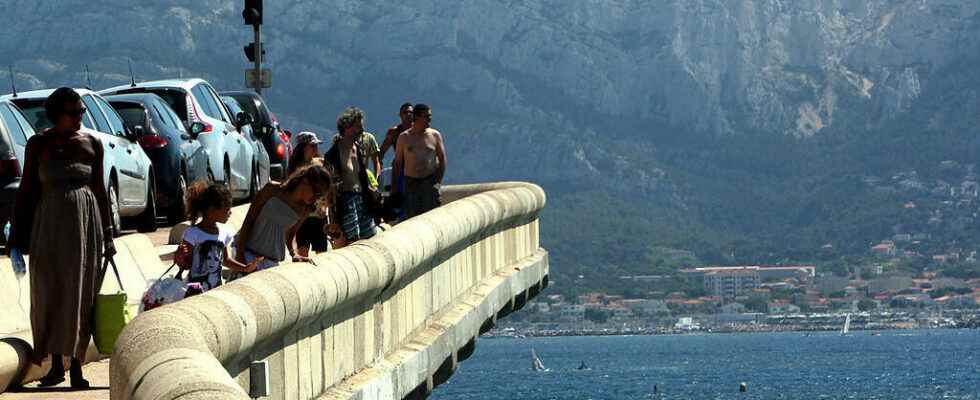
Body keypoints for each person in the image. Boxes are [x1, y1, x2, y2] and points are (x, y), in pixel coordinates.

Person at [7, 87, 116, 388]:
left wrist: (108, 236)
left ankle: (77, 366)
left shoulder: (92, 143)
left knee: (81, 294)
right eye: (74, 112)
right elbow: (26, 191)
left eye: (82, 112)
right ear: (57, 115)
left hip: (85, 227)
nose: (80, 117)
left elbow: (100, 191)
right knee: (50, 291)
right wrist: (16, 236)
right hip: (49, 227)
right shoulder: (39, 145)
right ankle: (56, 365)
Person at [234, 162, 334, 269]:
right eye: (316, 192)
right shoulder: (271, 190)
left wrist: (294, 254)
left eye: (320, 196)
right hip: (248, 254)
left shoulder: (305, 209)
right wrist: (240, 253)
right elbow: (249, 220)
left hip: (271, 262)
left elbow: (290, 235)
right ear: (305, 182)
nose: (316, 199)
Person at [176, 181, 265, 292]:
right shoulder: (192, 233)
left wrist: (245, 268)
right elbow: (187, 264)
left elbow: (225, 260)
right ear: (211, 210)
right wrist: (180, 258)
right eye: (226, 209)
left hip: (216, 289)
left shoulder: (224, 233)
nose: (230, 213)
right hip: (195, 291)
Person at [325, 107, 377, 242]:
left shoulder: (358, 149)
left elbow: (361, 175)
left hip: (362, 198)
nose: (361, 130)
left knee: (370, 236)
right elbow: (330, 186)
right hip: (346, 201)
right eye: (357, 126)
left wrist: (370, 189)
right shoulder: (333, 154)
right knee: (352, 240)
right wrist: (332, 214)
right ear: (347, 127)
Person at [392, 103, 447, 219]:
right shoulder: (404, 138)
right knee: (412, 218)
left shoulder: (435, 135)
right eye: (426, 116)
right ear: (416, 118)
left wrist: (437, 181)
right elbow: (397, 163)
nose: (429, 119)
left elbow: (442, 159)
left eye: (430, 116)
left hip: (429, 182)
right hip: (411, 183)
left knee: (432, 217)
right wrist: (396, 187)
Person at [287, 132, 336, 257]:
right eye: (312, 145)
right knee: (302, 250)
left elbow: (329, 188)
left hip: (319, 217)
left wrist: (325, 206)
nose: (316, 148)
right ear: (304, 147)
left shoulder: (321, 163)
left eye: (316, 145)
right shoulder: (294, 168)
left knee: (322, 252)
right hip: (302, 218)